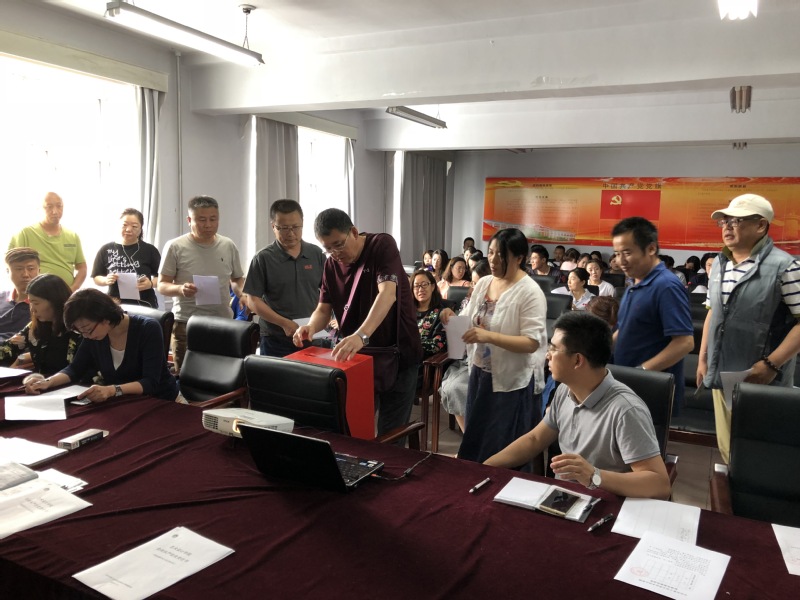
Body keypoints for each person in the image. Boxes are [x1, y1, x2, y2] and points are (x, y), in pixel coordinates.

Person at [485, 312, 671, 500]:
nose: (547, 355)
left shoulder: (626, 410)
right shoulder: (564, 390)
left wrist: (594, 476)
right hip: (563, 498)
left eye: (554, 349)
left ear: (577, 360)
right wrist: (484, 467)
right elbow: (535, 439)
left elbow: (659, 484)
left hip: (606, 502)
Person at [293, 209, 422, 437]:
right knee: (355, 427)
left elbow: (387, 294)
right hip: (358, 359)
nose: (335, 254)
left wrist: (361, 335)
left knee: (391, 433)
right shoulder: (331, 265)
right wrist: (311, 327)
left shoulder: (381, 245)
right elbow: (323, 308)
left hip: (397, 353)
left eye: (338, 245)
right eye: (328, 248)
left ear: (353, 232)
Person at [697, 194, 800, 463]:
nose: (727, 227)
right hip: (721, 372)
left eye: (736, 221)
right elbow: (713, 313)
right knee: (727, 447)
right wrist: (703, 358)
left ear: (761, 225)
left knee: (758, 453)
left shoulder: (785, 266)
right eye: (724, 221)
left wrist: (771, 364)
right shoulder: (719, 263)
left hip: (761, 377)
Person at [442, 228, 547, 466]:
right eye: (490, 252)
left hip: (511, 380)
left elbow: (531, 342)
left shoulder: (530, 292)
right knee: (475, 436)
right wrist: (452, 317)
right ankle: (473, 479)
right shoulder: (485, 282)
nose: (493, 259)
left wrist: (489, 336)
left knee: (500, 445)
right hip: (480, 372)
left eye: (501, 255)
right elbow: (471, 319)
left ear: (519, 258)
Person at [24, 289, 178, 401]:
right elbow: (75, 368)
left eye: (87, 330)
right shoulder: (95, 334)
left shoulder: (147, 328)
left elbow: (150, 382)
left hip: (161, 401)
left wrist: (112, 390)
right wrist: (47, 382)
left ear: (105, 318)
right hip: (123, 403)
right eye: (80, 332)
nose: (86, 336)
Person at [611, 217, 694, 416]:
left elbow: (684, 343)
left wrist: (641, 372)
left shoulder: (666, 286)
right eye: (617, 254)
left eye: (627, 253)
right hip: (627, 387)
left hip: (649, 391)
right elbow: (626, 329)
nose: (620, 261)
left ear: (651, 249)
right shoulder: (635, 283)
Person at [158, 196, 245, 373]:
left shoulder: (228, 245)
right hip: (186, 323)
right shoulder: (175, 246)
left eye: (213, 219)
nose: (208, 225)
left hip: (222, 322)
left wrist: (242, 294)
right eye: (202, 220)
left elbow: (236, 279)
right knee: (187, 377)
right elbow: (162, 285)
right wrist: (180, 289)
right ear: (189, 220)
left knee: (221, 374)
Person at [243, 199, 325, 357]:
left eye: (295, 227)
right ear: (273, 226)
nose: (291, 233)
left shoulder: (316, 254)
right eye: (284, 228)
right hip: (276, 339)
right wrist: (284, 323)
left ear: (302, 223)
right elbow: (253, 300)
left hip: (312, 335)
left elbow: (328, 293)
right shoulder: (263, 258)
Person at [439, 258, 492, 433]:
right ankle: (469, 435)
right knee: (453, 387)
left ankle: (478, 436)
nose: (474, 287)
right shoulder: (472, 301)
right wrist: (451, 317)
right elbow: (462, 324)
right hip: (469, 358)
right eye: (473, 283)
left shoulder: (503, 304)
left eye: (478, 283)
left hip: (494, 361)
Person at [0, 274, 80, 375]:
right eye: (30, 303)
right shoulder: (35, 327)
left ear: (55, 301)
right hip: (39, 382)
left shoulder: (79, 329)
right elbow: (7, 349)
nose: (32, 309)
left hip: (71, 383)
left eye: (36, 303)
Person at [8, 192, 86, 291]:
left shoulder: (73, 236)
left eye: (59, 206)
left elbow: (82, 268)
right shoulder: (25, 233)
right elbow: (10, 265)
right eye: (49, 207)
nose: (55, 211)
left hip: (65, 294)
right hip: (35, 294)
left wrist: (72, 290)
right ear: (40, 209)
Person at [92, 208, 161, 308]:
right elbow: (96, 277)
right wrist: (106, 280)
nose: (128, 229)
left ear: (141, 228)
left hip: (145, 304)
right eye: (124, 225)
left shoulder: (150, 250)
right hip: (115, 305)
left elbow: (162, 278)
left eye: (134, 226)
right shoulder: (106, 249)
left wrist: (150, 284)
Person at [1, 247, 40, 342]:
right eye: (19, 269)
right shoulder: (2, 297)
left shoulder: (45, 304)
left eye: (31, 269)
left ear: (39, 270)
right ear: (8, 271)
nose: (25, 274)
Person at [411, 269, 447, 359]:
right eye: (416, 286)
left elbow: (437, 344)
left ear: (433, 287)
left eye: (424, 285)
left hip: (424, 361)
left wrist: (408, 344)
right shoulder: (407, 312)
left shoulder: (441, 313)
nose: (420, 289)